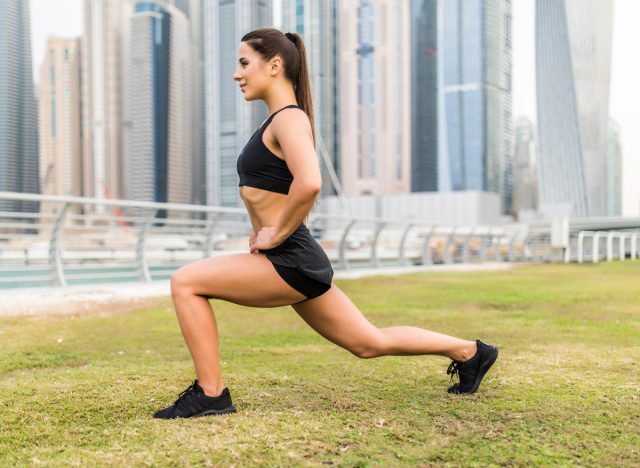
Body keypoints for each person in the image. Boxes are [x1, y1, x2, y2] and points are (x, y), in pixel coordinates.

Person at [152, 28, 498, 420]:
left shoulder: (289, 118)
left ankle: (211, 394)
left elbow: (310, 182)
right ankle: (470, 352)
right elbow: (279, 190)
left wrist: (276, 231)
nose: (237, 73)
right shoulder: (280, 121)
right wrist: (263, 227)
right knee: (367, 342)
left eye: (244, 62)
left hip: (289, 259)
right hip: (294, 258)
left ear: (275, 65)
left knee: (186, 281)